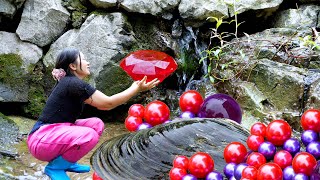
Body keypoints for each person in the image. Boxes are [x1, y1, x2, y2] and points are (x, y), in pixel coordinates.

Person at [27, 47, 160, 180]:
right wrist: (135, 88)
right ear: (73, 66)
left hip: (49, 134)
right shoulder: (73, 84)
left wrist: (135, 87)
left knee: (96, 124)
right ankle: (55, 168)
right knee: (88, 135)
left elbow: (104, 105)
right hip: (41, 140)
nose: (87, 63)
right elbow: (108, 104)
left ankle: (67, 162)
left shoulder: (70, 82)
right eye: (83, 59)